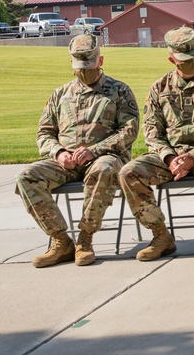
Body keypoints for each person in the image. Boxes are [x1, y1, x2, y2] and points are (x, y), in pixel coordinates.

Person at [15, 34, 139, 268]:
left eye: (89, 66)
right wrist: (59, 153)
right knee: (26, 177)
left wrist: (95, 150)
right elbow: (44, 133)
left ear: (100, 61)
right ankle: (61, 240)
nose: (84, 72)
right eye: (79, 67)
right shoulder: (60, 95)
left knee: (103, 169)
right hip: (66, 162)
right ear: (72, 65)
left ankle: (85, 239)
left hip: (104, 158)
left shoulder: (119, 90)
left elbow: (129, 131)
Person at [119, 26, 194, 260]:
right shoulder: (159, 88)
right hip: (170, 157)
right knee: (128, 172)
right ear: (172, 59)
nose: (192, 63)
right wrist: (169, 157)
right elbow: (151, 130)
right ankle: (161, 235)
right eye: (184, 60)